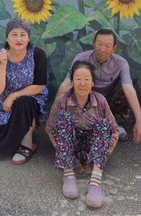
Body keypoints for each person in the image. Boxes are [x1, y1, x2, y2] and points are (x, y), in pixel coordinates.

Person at [46, 61, 119, 209]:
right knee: (63, 119)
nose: (82, 83)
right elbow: (50, 128)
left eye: (87, 79)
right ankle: (68, 174)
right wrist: (69, 158)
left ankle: (95, 180)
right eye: (78, 79)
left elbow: (115, 131)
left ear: (93, 83)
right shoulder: (62, 100)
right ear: (72, 82)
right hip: (69, 149)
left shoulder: (100, 101)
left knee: (104, 125)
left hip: (93, 150)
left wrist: (104, 154)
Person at [56, 28, 141, 143]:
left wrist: (140, 120)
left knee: (125, 89)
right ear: (93, 43)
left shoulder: (121, 63)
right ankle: (80, 125)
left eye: (108, 46)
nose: (102, 49)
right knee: (75, 86)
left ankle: (114, 123)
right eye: (99, 44)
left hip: (108, 100)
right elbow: (67, 83)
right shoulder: (81, 58)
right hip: (86, 99)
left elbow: (128, 88)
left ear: (114, 48)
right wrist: (55, 115)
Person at [0, 18, 48, 164]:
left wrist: (14, 96)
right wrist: (3, 65)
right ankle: (15, 142)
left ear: (28, 37)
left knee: (23, 103)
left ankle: (26, 144)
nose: (19, 39)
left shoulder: (37, 55)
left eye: (23, 34)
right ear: (7, 37)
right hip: (3, 104)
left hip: (30, 99)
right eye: (14, 35)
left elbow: (39, 86)